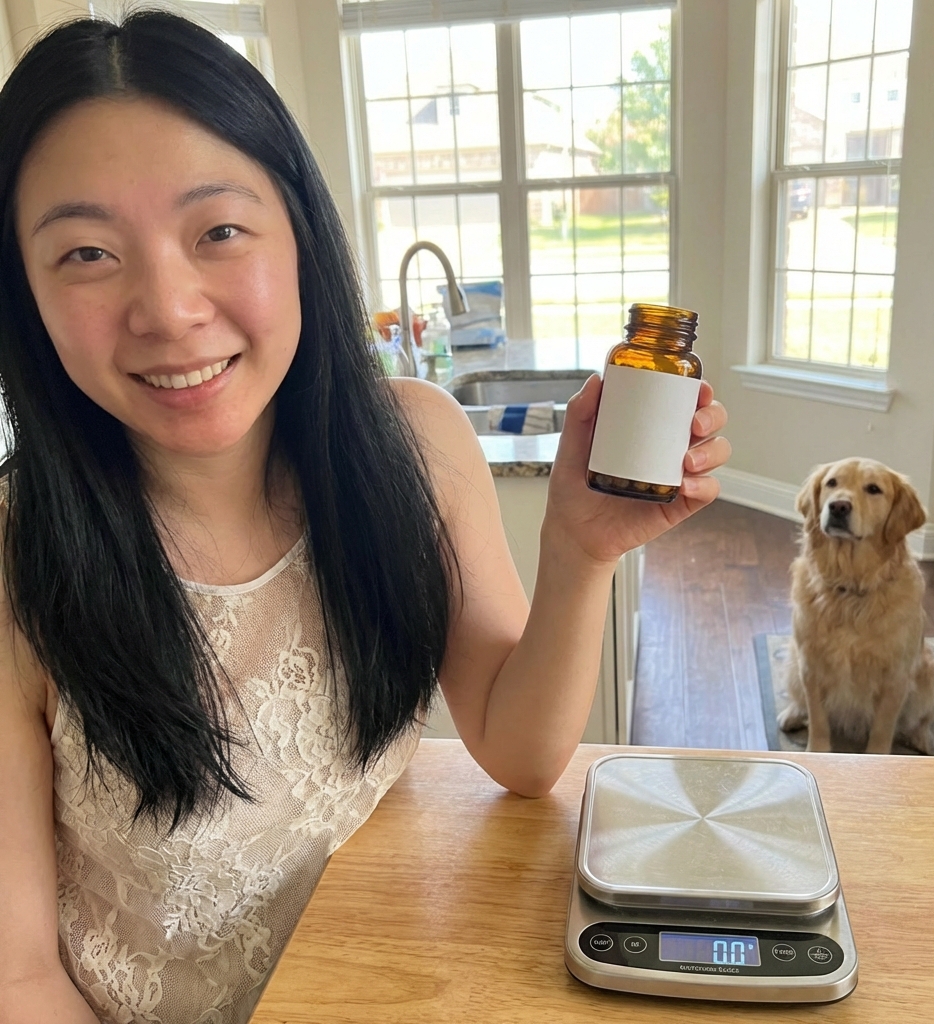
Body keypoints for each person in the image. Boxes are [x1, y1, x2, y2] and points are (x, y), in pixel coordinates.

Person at [0, 10, 730, 1024]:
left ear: (298, 231)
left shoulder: (414, 448)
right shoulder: (15, 557)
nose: (167, 308)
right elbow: (19, 977)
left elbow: (518, 753)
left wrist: (577, 549)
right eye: (85, 253)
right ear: (22, 292)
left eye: (217, 230)